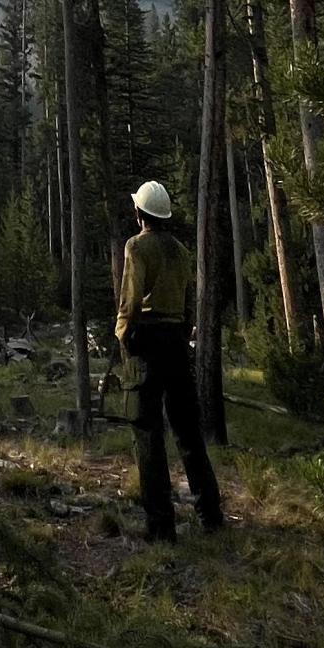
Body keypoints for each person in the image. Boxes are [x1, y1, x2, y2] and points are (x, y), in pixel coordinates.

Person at [114, 179, 223, 542]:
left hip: (147, 340)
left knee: (147, 433)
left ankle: (161, 528)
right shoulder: (180, 250)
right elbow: (188, 298)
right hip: (176, 340)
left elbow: (130, 299)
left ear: (139, 213)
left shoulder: (136, 247)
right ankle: (210, 514)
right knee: (188, 431)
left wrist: (122, 335)